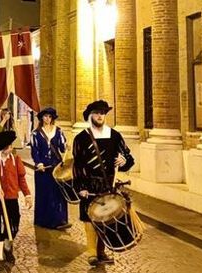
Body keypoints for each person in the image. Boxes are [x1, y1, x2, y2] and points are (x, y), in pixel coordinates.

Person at [73, 100, 135, 266]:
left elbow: (128, 158)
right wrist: (80, 187)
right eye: (97, 113)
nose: (100, 116)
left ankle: (101, 252)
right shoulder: (81, 138)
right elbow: (78, 164)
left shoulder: (114, 136)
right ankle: (92, 253)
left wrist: (124, 162)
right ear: (90, 116)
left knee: (105, 218)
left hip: (108, 185)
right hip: (89, 184)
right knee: (90, 217)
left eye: (103, 113)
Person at [0, 130, 33, 271]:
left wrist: (27, 195)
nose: (11, 148)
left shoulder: (15, 160)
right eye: (8, 146)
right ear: (2, 148)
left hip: (11, 197)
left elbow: (21, 178)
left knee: (14, 224)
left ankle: (7, 246)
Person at [30, 107, 70, 229]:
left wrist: (66, 146)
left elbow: (62, 148)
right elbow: (34, 151)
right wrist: (39, 163)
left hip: (56, 166)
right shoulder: (36, 133)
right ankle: (44, 220)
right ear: (42, 118)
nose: (47, 119)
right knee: (44, 193)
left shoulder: (58, 131)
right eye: (45, 116)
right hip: (43, 168)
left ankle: (60, 220)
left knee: (58, 193)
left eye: (50, 117)